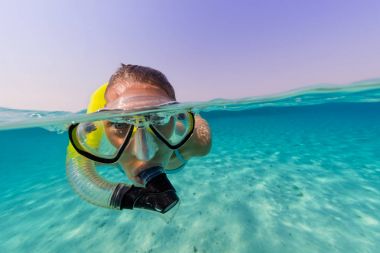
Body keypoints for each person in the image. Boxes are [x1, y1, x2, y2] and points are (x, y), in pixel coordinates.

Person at [66, 64, 211, 213]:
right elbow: (79, 172)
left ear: (175, 116)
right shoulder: (95, 155)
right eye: (120, 124)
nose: (145, 153)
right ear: (103, 124)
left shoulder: (197, 143)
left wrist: (196, 115)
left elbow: (199, 121)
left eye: (159, 118)